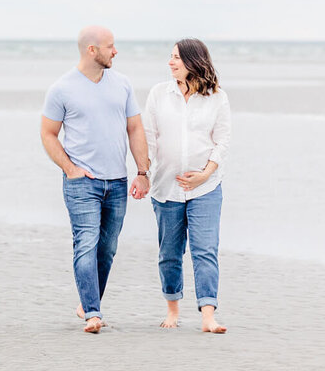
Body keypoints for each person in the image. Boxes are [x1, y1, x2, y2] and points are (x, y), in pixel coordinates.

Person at [39, 26, 152, 333]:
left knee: (108, 248)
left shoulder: (123, 85)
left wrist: (142, 172)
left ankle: (87, 302)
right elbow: (48, 134)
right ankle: (92, 313)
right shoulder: (62, 89)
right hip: (82, 183)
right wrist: (70, 168)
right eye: (110, 46)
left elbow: (135, 129)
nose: (115, 51)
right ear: (92, 50)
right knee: (86, 243)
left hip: (116, 182)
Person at [142, 38, 232, 334]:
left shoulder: (217, 97)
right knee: (169, 252)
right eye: (170, 57)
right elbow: (149, 138)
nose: (170, 62)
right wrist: (143, 172)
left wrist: (206, 173)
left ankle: (208, 315)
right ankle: (172, 308)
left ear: (194, 61)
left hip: (206, 188)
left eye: (176, 58)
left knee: (205, 250)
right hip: (166, 188)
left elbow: (222, 141)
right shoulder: (158, 94)